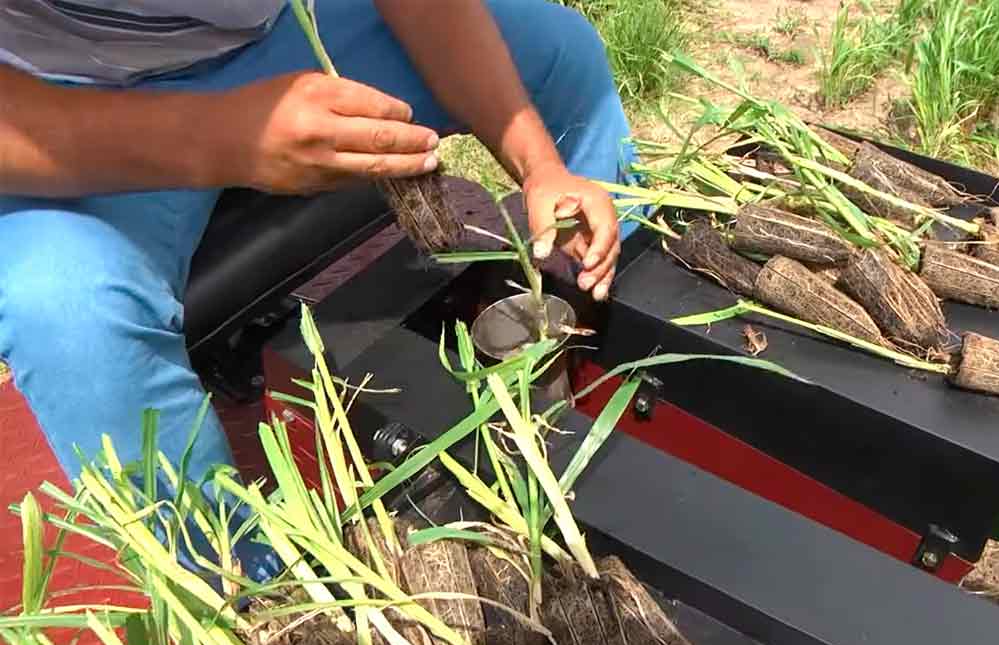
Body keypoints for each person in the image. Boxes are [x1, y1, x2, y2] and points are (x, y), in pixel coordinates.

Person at [0, 0, 639, 579]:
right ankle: (256, 610)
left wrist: (541, 165)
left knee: (560, 56)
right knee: (69, 319)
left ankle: (624, 348)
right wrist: (222, 138)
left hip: (275, 36)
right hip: (58, 99)